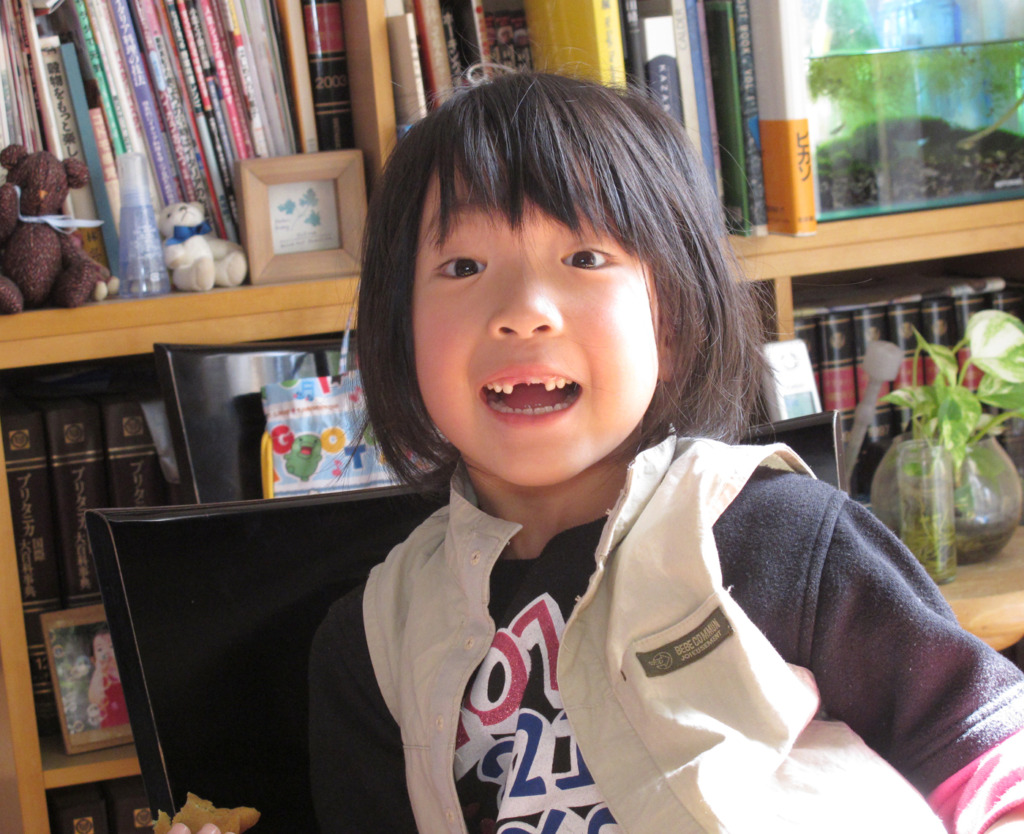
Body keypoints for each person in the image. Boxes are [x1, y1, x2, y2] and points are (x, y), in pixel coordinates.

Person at [302, 69, 1024, 833]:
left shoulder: (792, 541)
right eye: (463, 267)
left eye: (584, 258)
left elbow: (990, 763)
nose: (522, 312)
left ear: (670, 325)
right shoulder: (375, 641)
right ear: (400, 338)